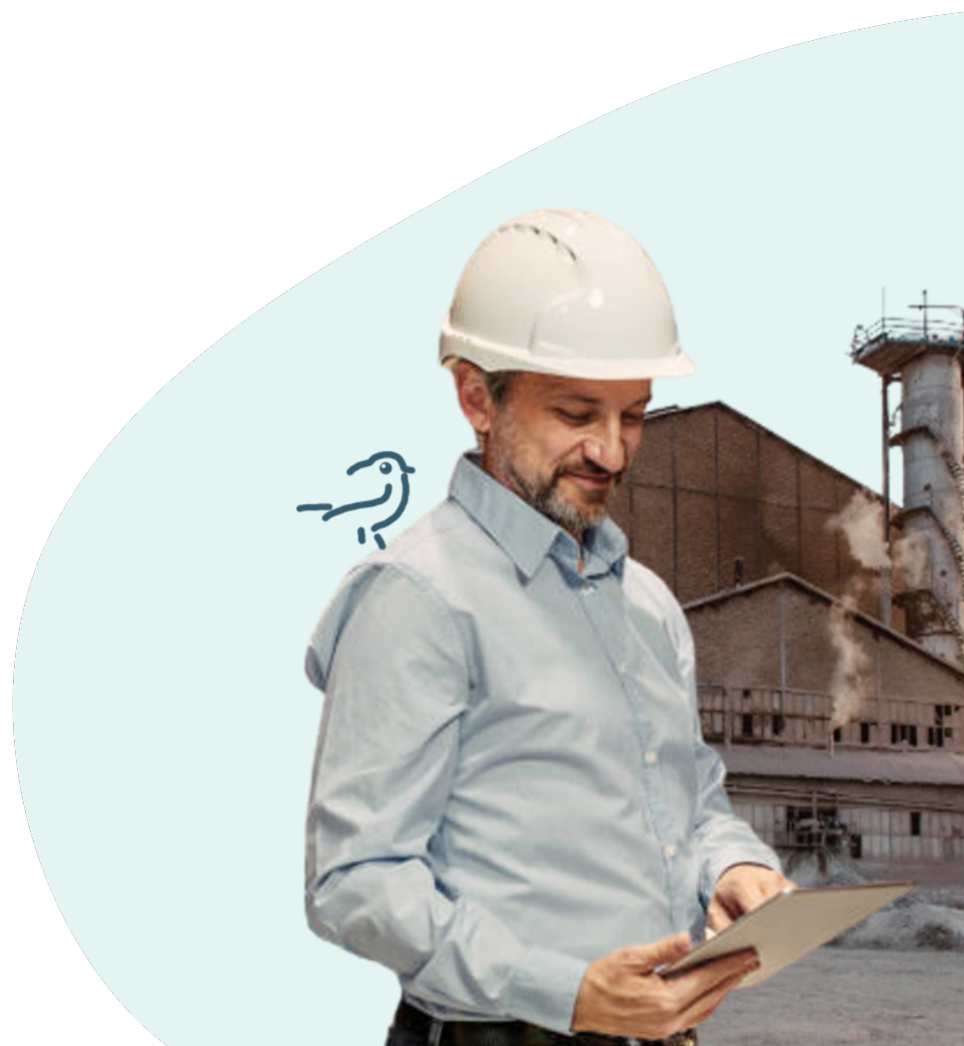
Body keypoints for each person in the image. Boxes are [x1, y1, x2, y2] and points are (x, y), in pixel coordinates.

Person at [304, 209, 790, 1046]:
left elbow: (691, 800)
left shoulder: (647, 606)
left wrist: (733, 865)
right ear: (474, 397)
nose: (612, 452)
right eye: (576, 413)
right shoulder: (417, 598)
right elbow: (354, 879)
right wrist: (564, 992)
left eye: (633, 414)